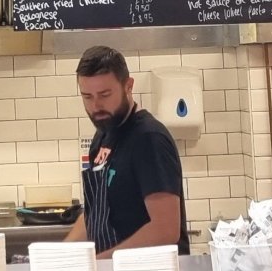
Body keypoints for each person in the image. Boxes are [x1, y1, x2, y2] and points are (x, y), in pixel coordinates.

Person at [64, 45, 189, 258]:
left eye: (105, 94)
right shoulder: (102, 136)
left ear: (128, 86)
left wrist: (100, 262)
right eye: (87, 96)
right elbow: (95, 213)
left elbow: (165, 229)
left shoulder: (149, 138)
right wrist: (61, 254)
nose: (96, 106)